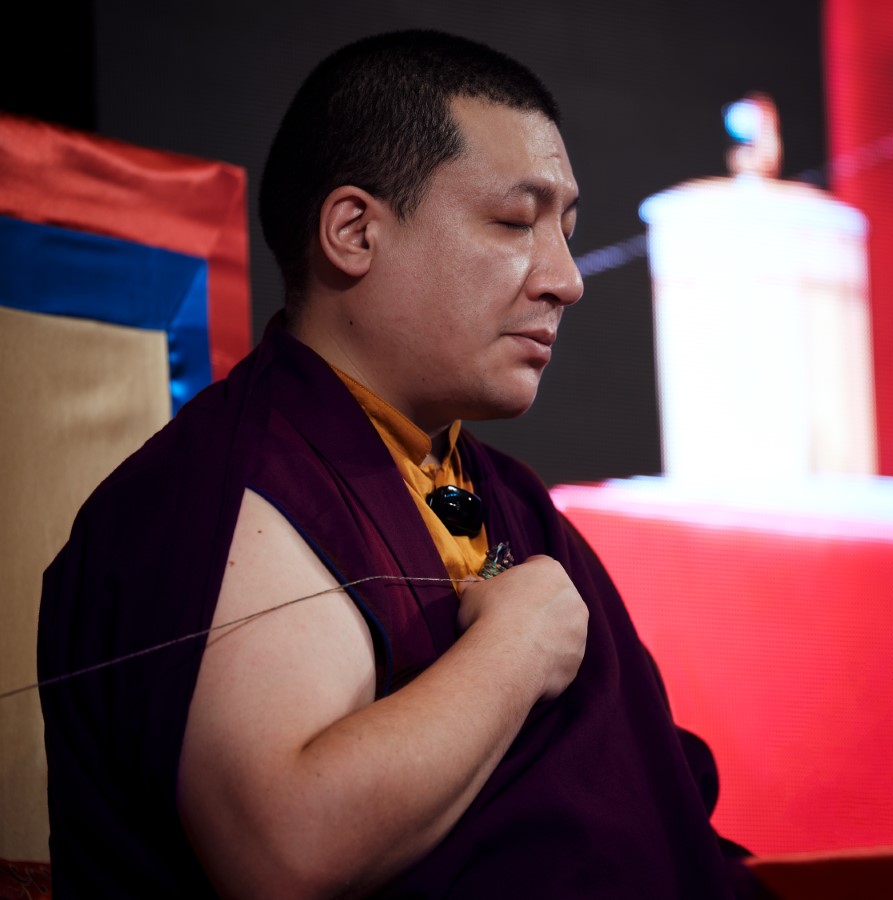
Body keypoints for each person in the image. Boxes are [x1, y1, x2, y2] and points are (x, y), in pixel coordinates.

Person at [38, 30, 758, 898]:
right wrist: (518, 648)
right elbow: (282, 853)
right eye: (512, 221)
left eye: (565, 231)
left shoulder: (512, 505)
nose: (566, 279)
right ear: (353, 231)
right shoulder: (222, 490)